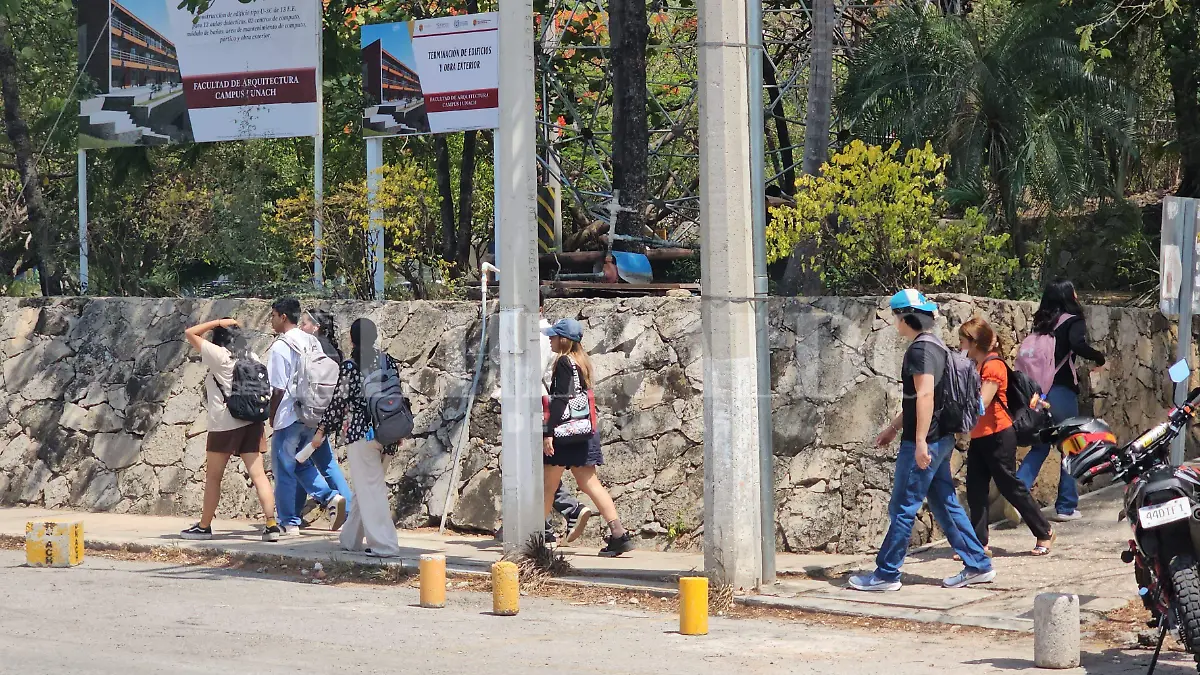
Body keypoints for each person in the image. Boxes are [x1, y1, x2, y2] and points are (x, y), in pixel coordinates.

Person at [849, 290, 994, 592]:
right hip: (940, 439)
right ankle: (977, 563)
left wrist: (918, 442)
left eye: (896, 316)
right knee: (945, 503)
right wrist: (893, 427)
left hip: (926, 441)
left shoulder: (919, 351)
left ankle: (886, 573)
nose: (895, 322)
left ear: (906, 316)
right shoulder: (935, 345)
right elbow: (920, 398)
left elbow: (926, 395)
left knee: (903, 506)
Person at [958, 317, 1056, 556]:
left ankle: (1045, 532)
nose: (960, 346)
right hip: (981, 435)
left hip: (999, 434)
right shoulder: (978, 365)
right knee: (975, 489)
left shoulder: (993, 366)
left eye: (962, 341)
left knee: (1010, 487)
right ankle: (979, 544)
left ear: (973, 342)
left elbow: (983, 403)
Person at [180, 317, 282, 542]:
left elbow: (190, 333)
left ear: (219, 338)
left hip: (224, 425)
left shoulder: (220, 356)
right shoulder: (252, 357)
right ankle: (271, 525)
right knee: (259, 476)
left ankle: (204, 526)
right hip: (253, 423)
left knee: (214, 478)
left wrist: (217, 321)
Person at [308, 318, 401, 558]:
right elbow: (397, 393)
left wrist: (320, 432)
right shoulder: (387, 361)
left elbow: (338, 402)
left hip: (361, 433)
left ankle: (385, 545)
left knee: (371, 490)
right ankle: (350, 539)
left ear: (351, 338)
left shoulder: (351, 366)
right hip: (388, 432)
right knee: (366, 488)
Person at [1015, 279, 1106, 522]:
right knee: (1072, 445)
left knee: (1042, 445)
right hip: (1060, 392)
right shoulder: (1073, 321)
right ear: (1069, 295)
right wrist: (1099, 358)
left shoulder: (1043, 323)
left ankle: (1016, 496)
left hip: (1038, 393)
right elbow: (1078, 344)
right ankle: (1066, 506)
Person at [542, 318, 632, 557]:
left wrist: (548, 432)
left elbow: (560, 400)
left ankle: (535, 539)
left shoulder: (563, 362)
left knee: (547, 486)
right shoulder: (581, 363)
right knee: (590, 483)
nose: (550, 339)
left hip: (564, 434)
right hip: (584, 433)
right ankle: (618, 534)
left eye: (553, 336)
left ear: (563, 340)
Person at [267, 297, 349, 536]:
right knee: (301, 463)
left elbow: (278, 389)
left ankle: (289, 522)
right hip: (312, 413)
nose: (271, 321)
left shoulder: (281, 346)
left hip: (288, 415)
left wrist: (272, 417)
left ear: (283, 317)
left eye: (273, 315)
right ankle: (331, 496)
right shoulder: (312, 341)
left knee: (283, 468)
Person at [294, 309, 354, 520]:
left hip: (309, 416)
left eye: (305, 324)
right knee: (310, 461)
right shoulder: (334, 352)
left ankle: (345, 507)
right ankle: (294, 512)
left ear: (316, 327)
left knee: (302, 462)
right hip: (328, 416)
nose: (301, 327)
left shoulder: (313, 351)